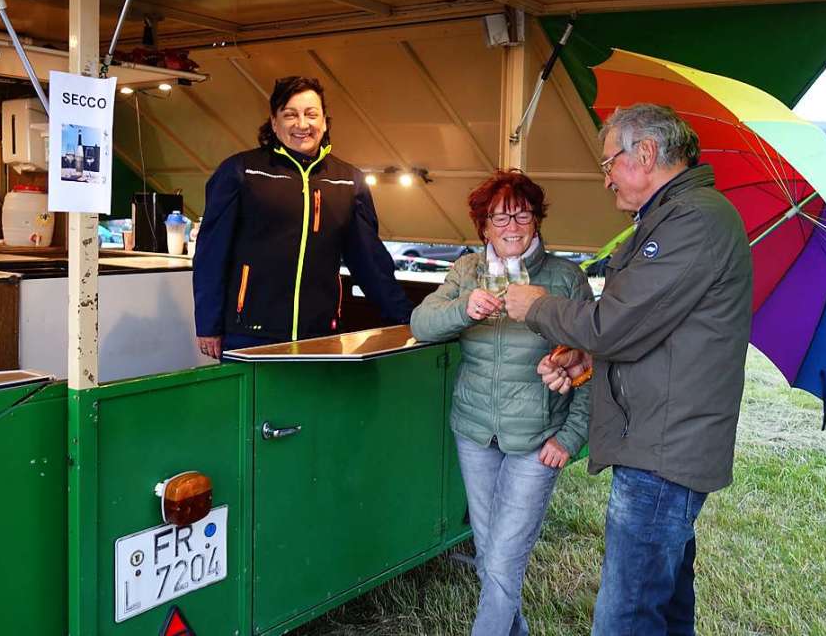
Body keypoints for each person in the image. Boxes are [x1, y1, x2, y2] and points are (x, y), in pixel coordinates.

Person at [505, 103, 753, 636]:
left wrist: (539, 307)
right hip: (661, 439)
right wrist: (587, 356)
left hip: (663, 450)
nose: (605, 180)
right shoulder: (674, 218)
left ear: (645, 153)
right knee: (663, 608)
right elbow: (655, 326)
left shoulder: (694, 221)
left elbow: (616, 322)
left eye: (608, 164)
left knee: (629, 613)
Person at [410, 170, 592, 636]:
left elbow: (594, 364)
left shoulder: (565, 278)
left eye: (522, 214)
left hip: (537, 437)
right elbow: (421, 324)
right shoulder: (467, 271)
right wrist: (462, 308)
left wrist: (570, 436)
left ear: (537, 220)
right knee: (491, 552)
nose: (511, 226)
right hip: (474, 430)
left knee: (504, 554)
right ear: (483, 227)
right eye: (498, 217)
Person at [193, 76, 412, 357]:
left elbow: (369, 262)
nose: (302, 124)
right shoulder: (241, 172)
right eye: (290, 115)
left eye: (311, 114)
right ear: (274, 122)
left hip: (319, 336)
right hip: (249, 335)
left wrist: (407, 318)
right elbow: (211, 255)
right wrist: (208, 325)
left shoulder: (348, 181)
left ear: (324, 122)